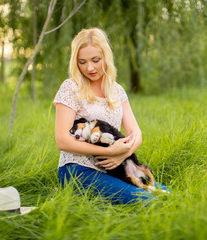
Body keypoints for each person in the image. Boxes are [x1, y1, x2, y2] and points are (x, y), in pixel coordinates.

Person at [53, 28, 169, 204]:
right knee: (146, 201)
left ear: (106, 57)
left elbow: (135, 133)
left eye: (95, 60)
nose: (89, 67)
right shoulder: (70, 88)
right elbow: (62, 140)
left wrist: (123, 154)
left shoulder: (117, 90)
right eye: (82, 62)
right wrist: (109, 152)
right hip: (77, 170)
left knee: (167, 194)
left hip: (115, 168)